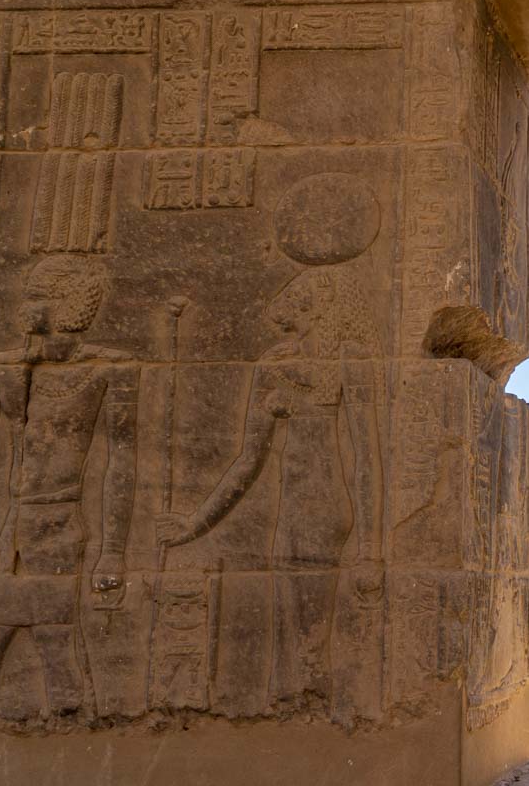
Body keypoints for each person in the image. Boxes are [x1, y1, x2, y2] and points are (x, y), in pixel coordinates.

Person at [155, 263, 383, 705]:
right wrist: (193, 524)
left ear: (320, 309)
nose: (290, 306)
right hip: (290, 511)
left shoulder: (348, 362)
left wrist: (371, 548)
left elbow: (367, 461)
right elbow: (248, 460)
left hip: (324, 511)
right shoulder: (274, 365)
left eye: (303, 299)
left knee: (311, 642)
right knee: (287, 639)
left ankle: (321, 714)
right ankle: (295, 710)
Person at [0, 255, 136, 717]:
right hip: (15, 527)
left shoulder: (110, 370)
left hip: (60, 526)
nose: (27, 306)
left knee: (50, 639)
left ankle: (68, 721)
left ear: (70, 304)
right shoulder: (1, 370)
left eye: (38, 296)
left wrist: (113, 554)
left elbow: (121, 464)